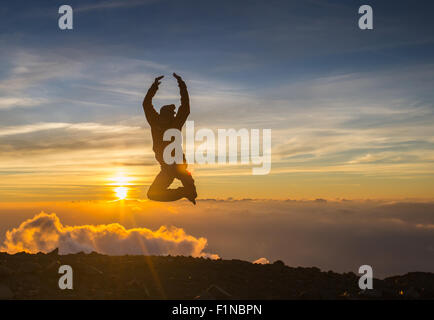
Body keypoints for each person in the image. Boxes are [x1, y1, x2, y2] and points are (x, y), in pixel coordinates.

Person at [142, 73, 197, 204]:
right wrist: (181, 85)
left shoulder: (160, 122)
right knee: (153, 194)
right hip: (170, 168)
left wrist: (155, 87)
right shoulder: (168, 123)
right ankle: (186, 191)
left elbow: (185, 108)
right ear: (165, 115)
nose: (172, 116)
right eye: (171, 115)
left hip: (175, 167)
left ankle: (187, 190)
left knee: (154, 194)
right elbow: (185, 108)